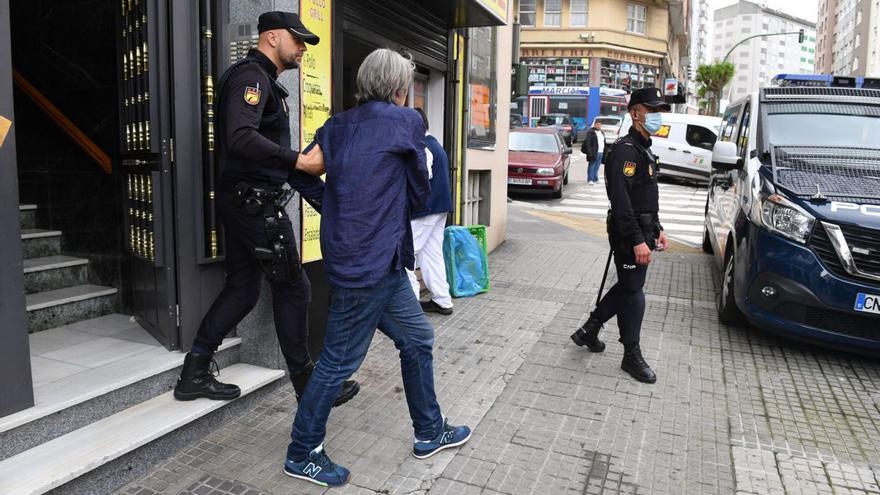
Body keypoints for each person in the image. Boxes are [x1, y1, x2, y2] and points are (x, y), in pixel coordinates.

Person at [282, 48, 471, 488]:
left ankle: (429, 431)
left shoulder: (337, 125)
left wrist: (336, 205)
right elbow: (421, 193)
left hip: (378, 262)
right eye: (407, 82)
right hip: (366, 265)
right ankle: (301, 451)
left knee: (418, 338)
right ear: (399, 88)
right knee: (336, 363)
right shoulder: (406, 121)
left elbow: (300, 170)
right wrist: (375, 205)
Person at [173, 11, 359, 408]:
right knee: (293, 287)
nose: (304, 50)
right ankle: (308, 385)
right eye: (299, 41)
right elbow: (240, 137)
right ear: (273, 37)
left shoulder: (262, 80)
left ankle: (194, 373)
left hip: (248, 199)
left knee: (243, 287)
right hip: (253, 202)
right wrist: (298, 161)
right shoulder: (251, 78)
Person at [570, 87, 670, 384]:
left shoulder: (643, 147)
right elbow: (622, 202)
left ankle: (590, 329)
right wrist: (638, 239)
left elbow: (645, 196)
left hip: (642, 229)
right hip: (629, 233)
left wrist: (658, 228)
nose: (657, 115)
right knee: (633, 292)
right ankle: (631, 354)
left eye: (659, 110)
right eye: (652, 110)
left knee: (629, 287)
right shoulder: (626, 151)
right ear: (635, 113)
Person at [409, 107, 453, 316]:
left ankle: (410, 307)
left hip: (423, 210)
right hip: (439, 208)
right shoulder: (435, 144)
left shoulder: (422, 147)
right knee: (431, 254)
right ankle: (442, 300)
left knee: (407, 256)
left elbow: (421, 179)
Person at [582, 119, 605, 184]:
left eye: (600, 124)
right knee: (592, 165)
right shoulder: (591, 132)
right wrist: (589, 152)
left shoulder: (601, 133)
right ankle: (590, 179)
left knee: (597, 166)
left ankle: (595, 178)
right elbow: (588, 143)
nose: (598, 125)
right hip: (594, 152)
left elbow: (603, 142)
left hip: (601, 152)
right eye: (597, 124)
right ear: (594, 125)